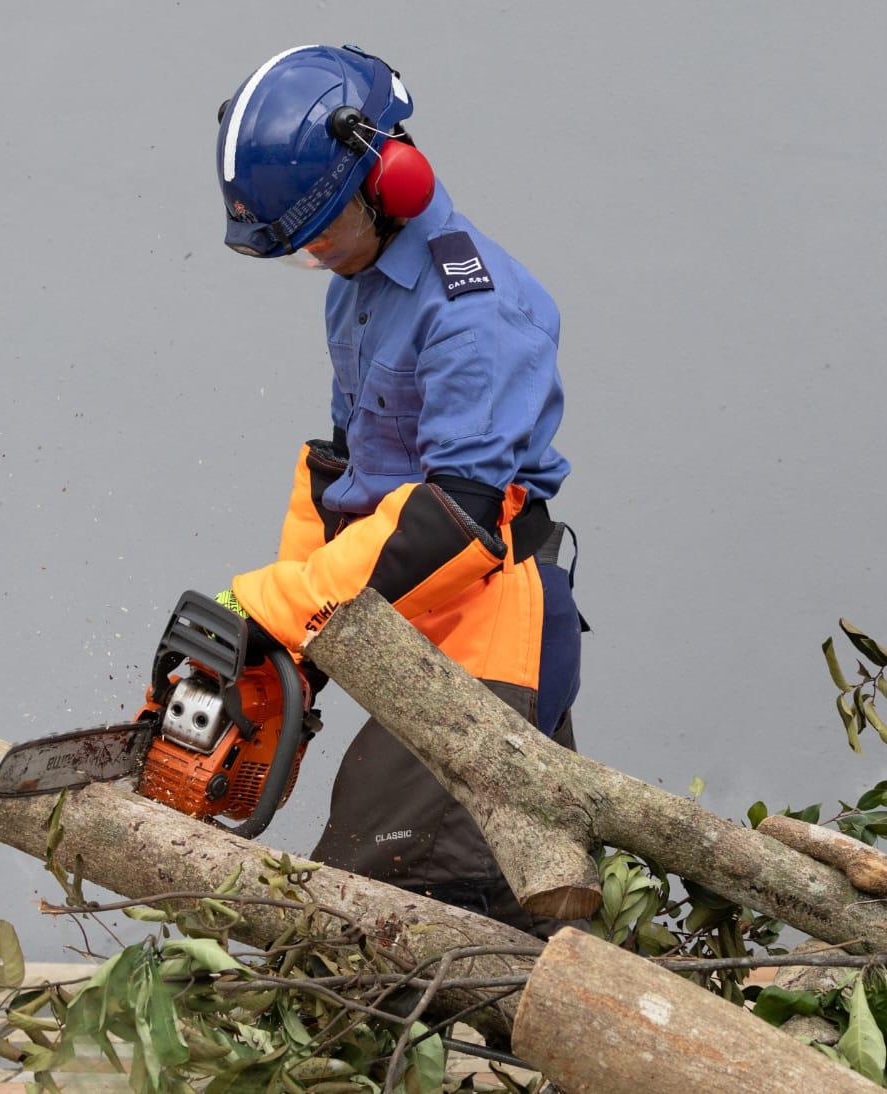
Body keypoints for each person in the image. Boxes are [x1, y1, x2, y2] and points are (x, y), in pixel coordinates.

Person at [211, 43, 585, 935]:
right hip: (409, 628)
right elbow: (353, 474)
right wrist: (289, 642)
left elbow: (456, 520)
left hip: (487, 638)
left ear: (396, 180)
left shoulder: (473, 308)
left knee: (372, 910)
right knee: (508, 917)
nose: (312, 257)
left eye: (320, 232)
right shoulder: (355, 287)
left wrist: (286, 606)